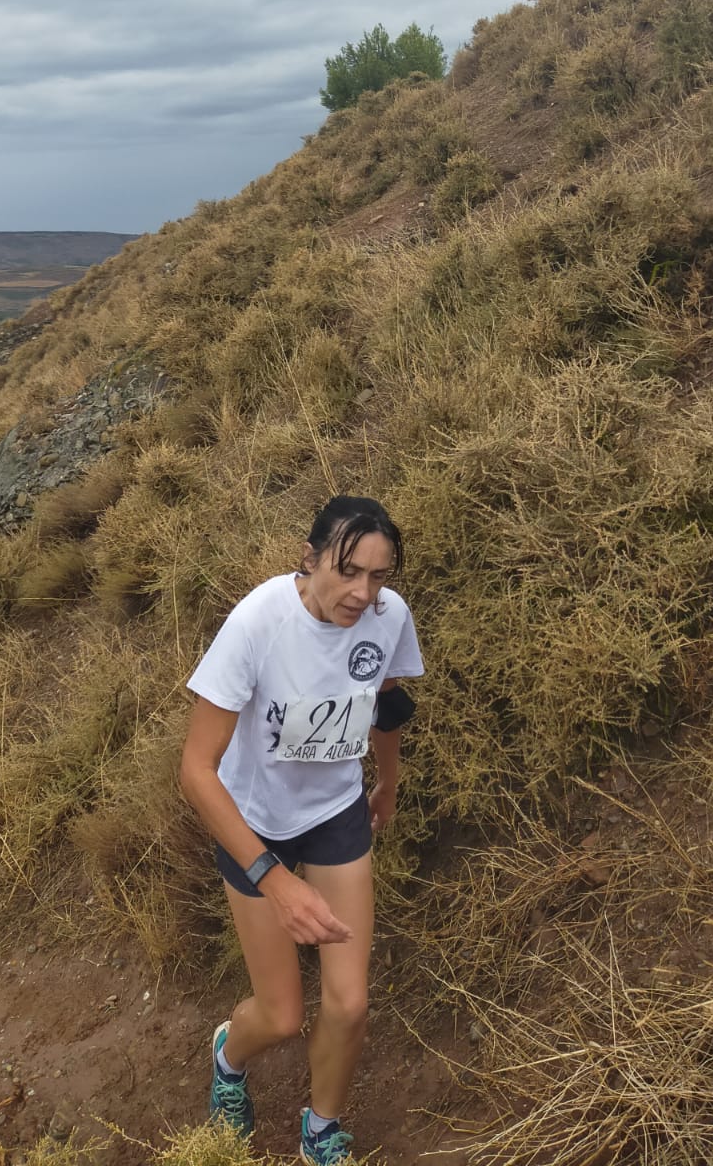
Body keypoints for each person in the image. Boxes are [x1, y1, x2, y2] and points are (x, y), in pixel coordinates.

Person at [180, 495, 423, 1164]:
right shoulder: (258, 624)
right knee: (282, 1015)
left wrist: (387, 782)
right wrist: (275, 881)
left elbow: (386, 703)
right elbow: (197, 771)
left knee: (348, 1003)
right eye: (347, 571)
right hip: (257, 831)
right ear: (309, 558)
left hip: (337, 814)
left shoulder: (387, 616)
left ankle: (321, 1130)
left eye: (378, 575)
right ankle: (229, 1058)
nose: (362, 592)